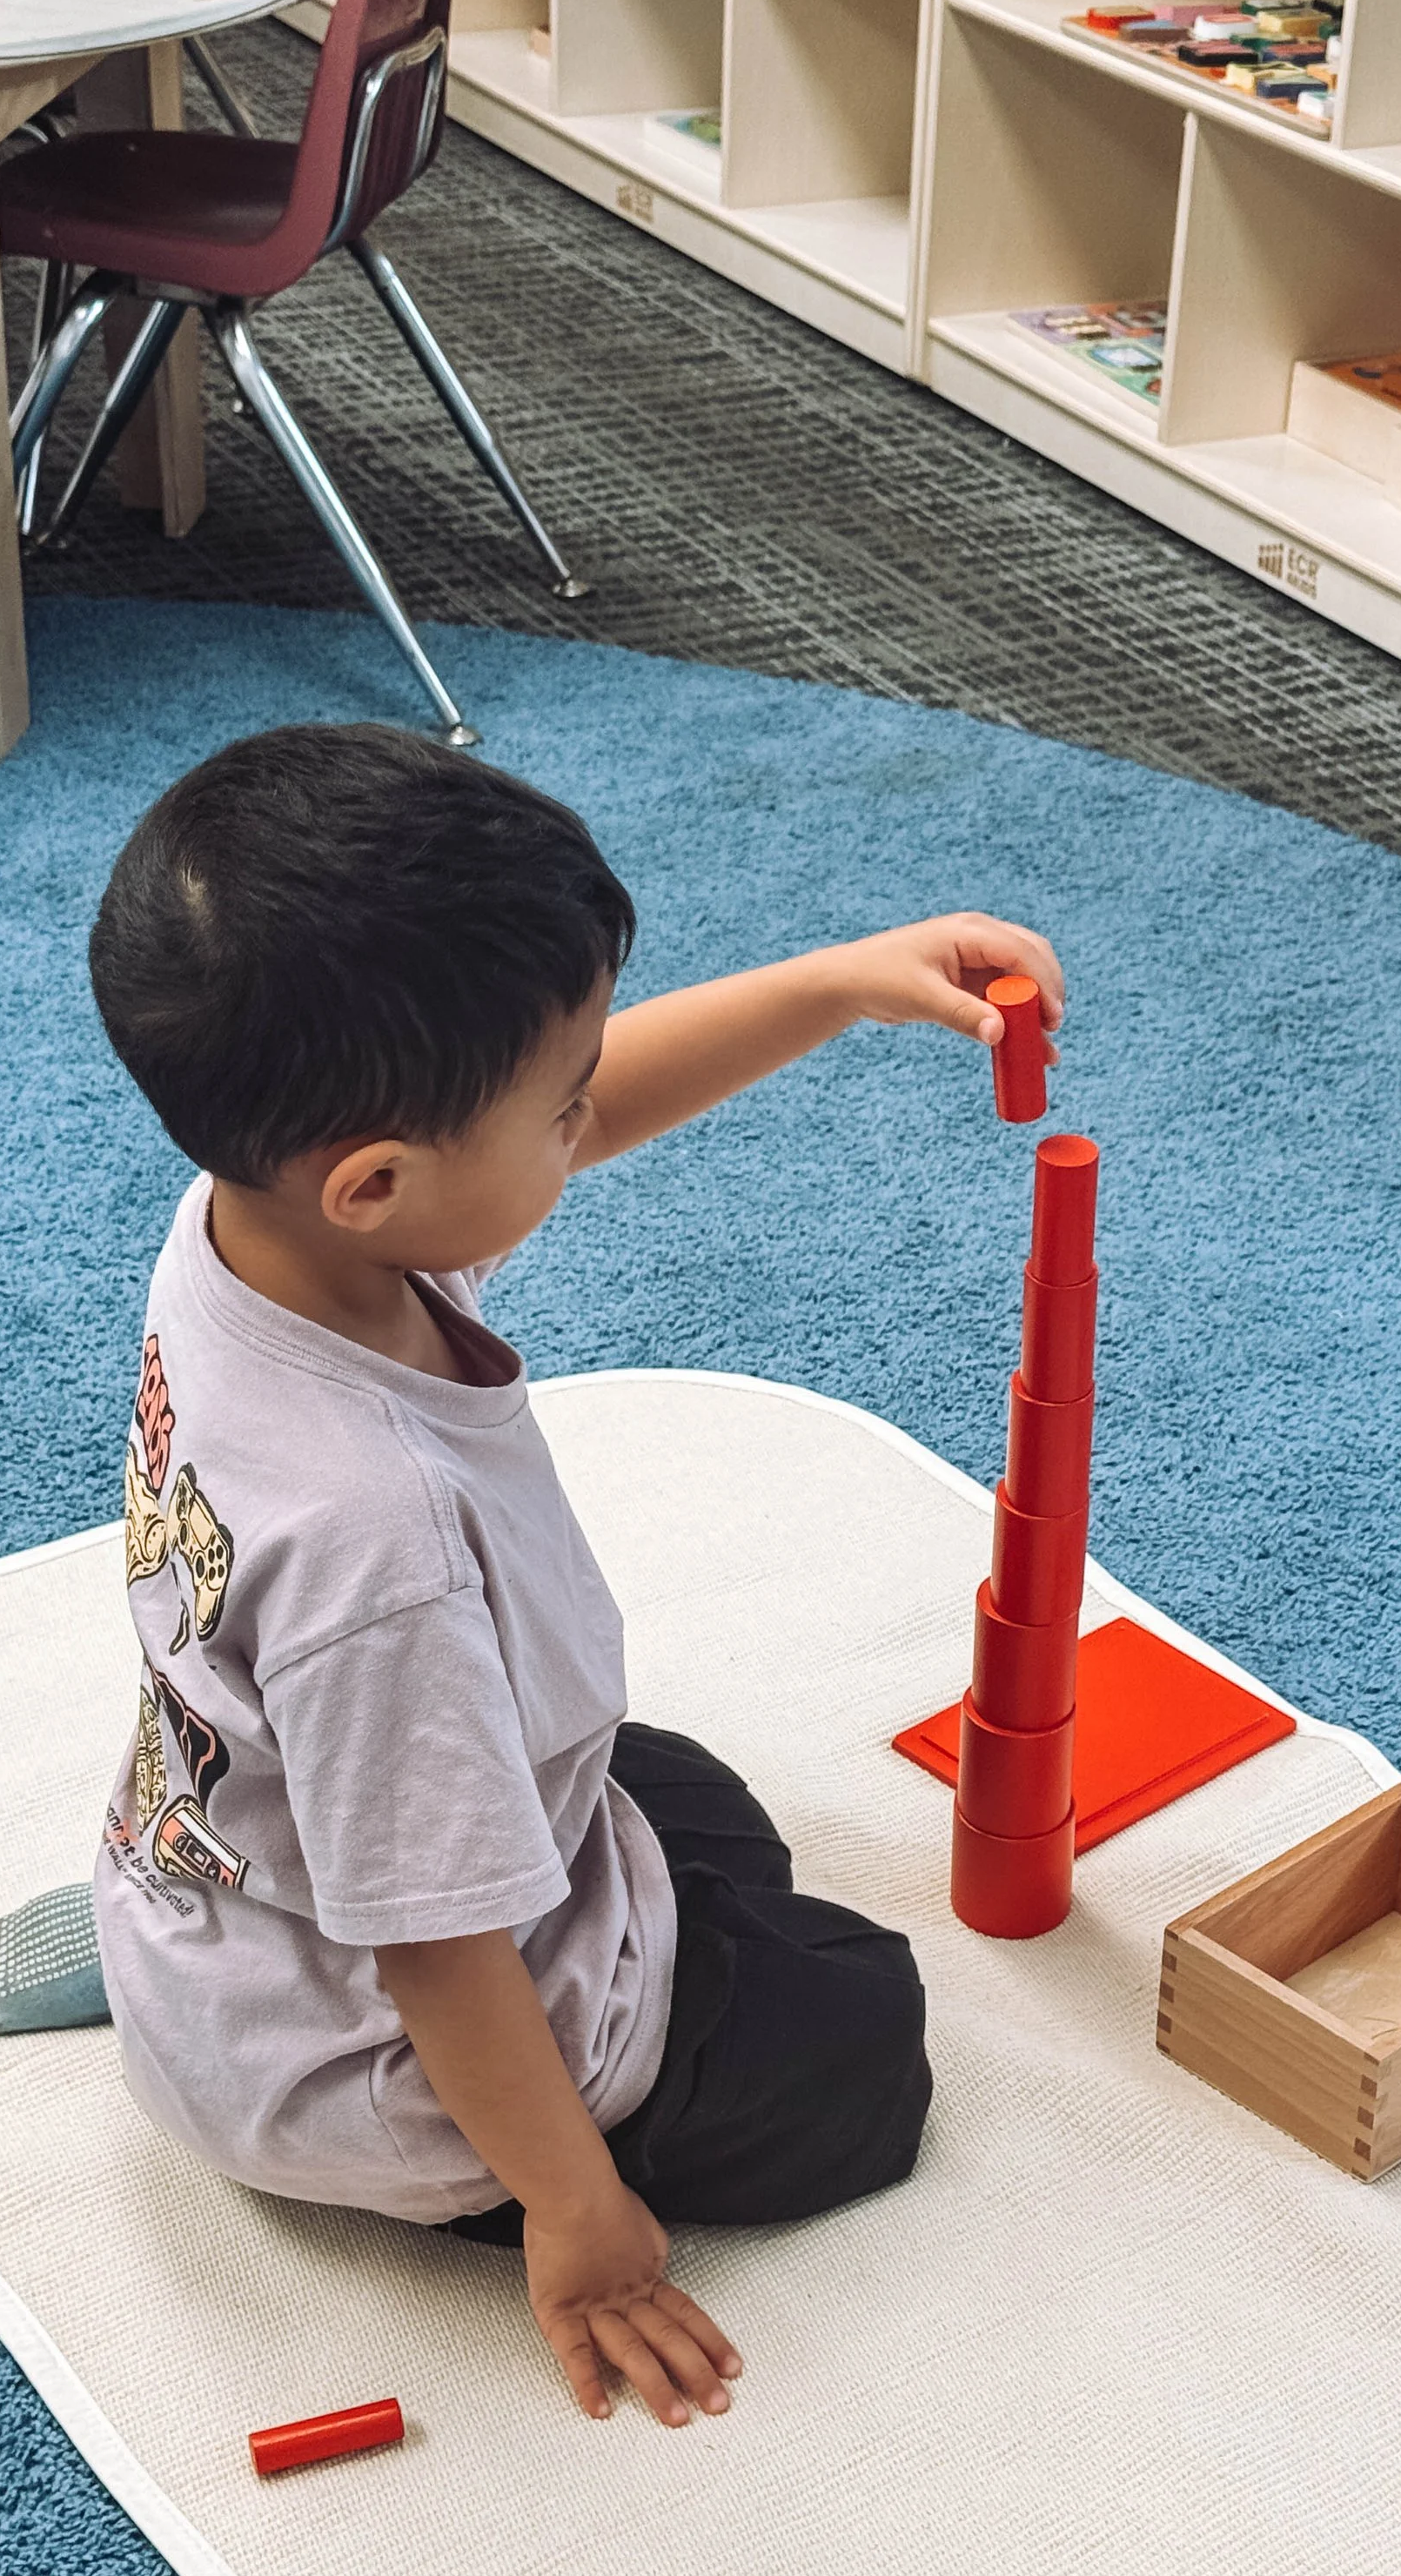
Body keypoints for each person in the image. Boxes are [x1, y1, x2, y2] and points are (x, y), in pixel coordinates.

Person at [87, 722, 1062, 2432]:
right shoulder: (371, 1544)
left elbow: (578, 1097)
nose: (582, 1115)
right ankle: (475, 2176)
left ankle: (247, 1973)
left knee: (684, 1799)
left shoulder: (258, 1218)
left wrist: (834, 984)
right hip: (375, 2058)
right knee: (861, 2044)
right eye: (555, 1103)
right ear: (380, 1183)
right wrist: (574, 2213)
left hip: (229, 1876)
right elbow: (441, 1948)